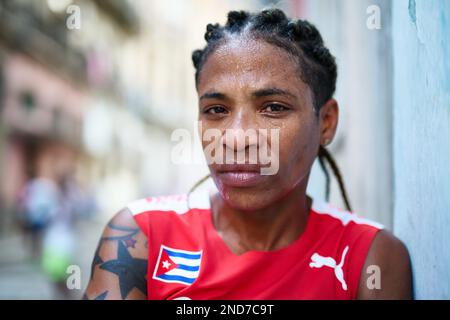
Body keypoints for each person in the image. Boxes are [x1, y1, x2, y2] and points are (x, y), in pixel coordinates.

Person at [84, 8, 412, 300]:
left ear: (325, 123)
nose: (237, 138)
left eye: (273, 107)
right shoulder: (140, 235)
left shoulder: (370, 258)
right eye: (216, 109)